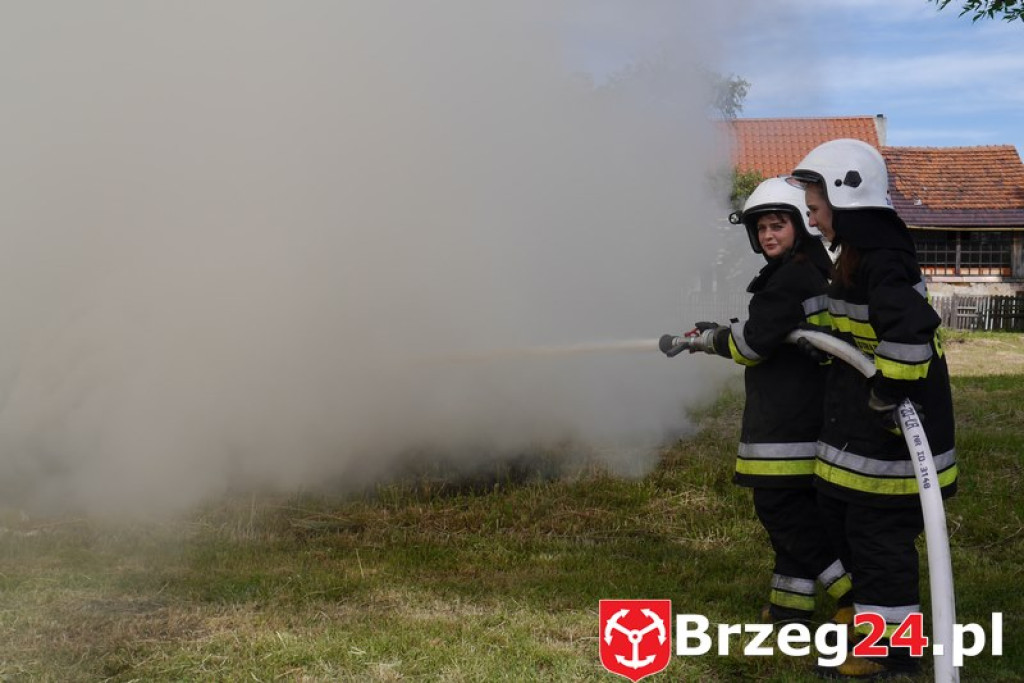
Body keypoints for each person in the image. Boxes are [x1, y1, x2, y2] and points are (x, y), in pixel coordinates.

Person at [788, 138, 959, 679]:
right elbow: (855, 324)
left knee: (878, 539)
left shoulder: (884, 260)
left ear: (845, 199)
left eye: (815, 208)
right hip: (864, 432)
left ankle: (892, 650)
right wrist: (819, 340)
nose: (812, 220)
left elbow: (909, 335)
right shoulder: (855, 255)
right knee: (846, 521)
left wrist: (889, 390)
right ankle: (871, 625)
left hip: (897, 436)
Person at [681, 177, 853, 627]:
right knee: (796, 511)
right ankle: (788, 609)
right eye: (761, 228)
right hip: (806, 414)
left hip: (786, 422)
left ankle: (850, 592)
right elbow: (775, 332)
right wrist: (720, 331)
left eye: (778, 225)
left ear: (801, 226)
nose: (768, 235)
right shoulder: (810, 272)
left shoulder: (790, 278)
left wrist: (709, 341)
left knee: (782, 512)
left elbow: (754, 345)